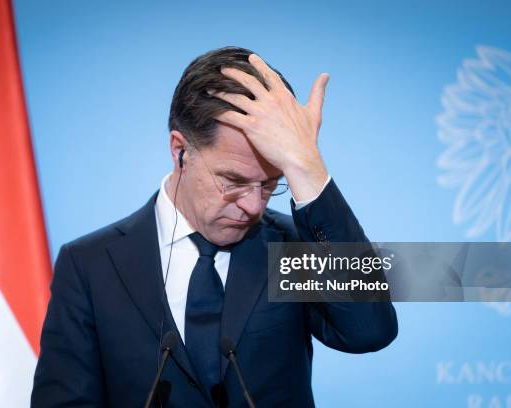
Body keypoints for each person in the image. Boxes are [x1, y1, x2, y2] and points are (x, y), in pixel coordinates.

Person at [31, 46, 398, 407]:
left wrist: (307, 167)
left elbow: (370, 329)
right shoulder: (89, 264)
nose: (254, 205)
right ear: (180, 151)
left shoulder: (290, 247)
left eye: (271, 183)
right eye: (233, 181)